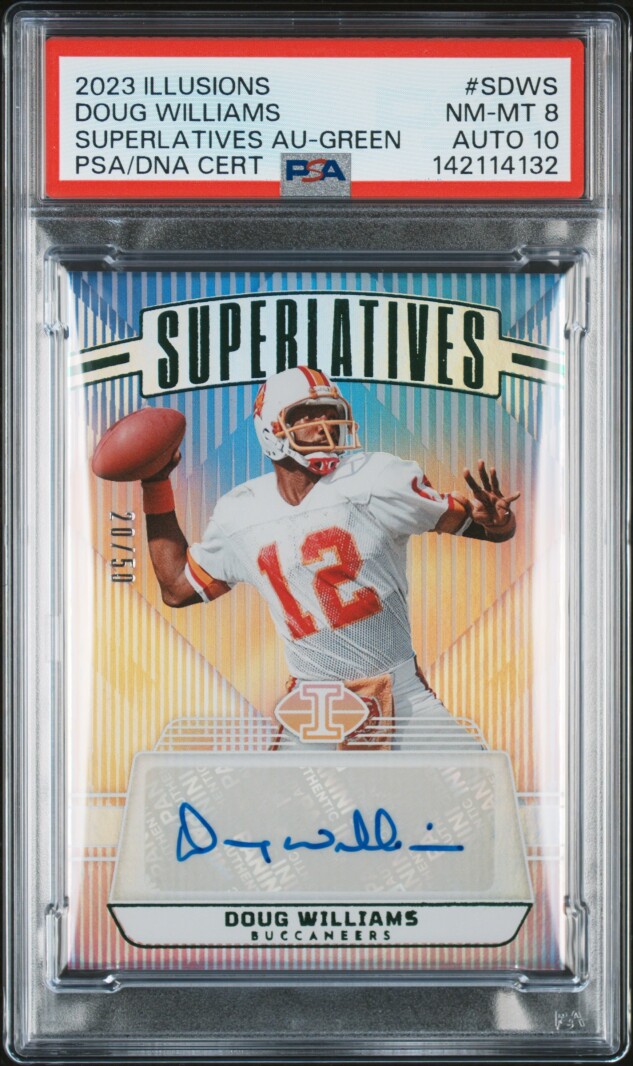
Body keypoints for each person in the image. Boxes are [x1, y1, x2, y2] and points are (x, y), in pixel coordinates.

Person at [141, 366, 519, 750]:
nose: (324, 424)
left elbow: (484, 527)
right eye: (306, 414)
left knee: (481, 782)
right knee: (275, 793)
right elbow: (177, 588)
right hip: (312, 707)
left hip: (400, 696)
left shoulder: (375, 478)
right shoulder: (240, 512)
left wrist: (499, 521)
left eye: (330, 412)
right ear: (271, 430)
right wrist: (155, 484)